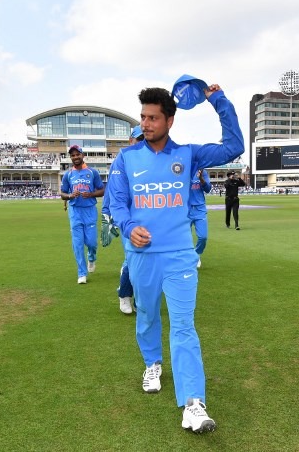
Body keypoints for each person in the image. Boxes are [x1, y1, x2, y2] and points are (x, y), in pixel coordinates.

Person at [107, 83, 244, 433]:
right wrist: (128, 226)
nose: (146, 123)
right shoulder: (126, 158)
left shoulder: (189, 155)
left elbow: (234, 147)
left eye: (153, 118)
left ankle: (193, 404)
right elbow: (116, 202)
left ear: (170, 120)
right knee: (147, 315)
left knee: (184, 326)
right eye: (143, 117)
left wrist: (218, 100)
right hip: (141, 255)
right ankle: (152, 363)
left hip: (180, 256)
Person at [101, 125, 145, 314]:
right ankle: (125, 294)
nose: (142, 143)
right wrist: (107, 216)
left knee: (148, 260)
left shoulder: (154, 159)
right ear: (131, 140)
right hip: (127, 218)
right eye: (139, 139)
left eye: (145, 139)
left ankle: (140, 296)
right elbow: (111, 193)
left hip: (150, 216)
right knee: (132, 259)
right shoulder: (121, 161)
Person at [60, 145, 104, 284]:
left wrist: (90, 194)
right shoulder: (68, 175)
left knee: (91, 242)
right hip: (75, 212)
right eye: (72, 155)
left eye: (77, 154)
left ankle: (91, 257)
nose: (75, 157)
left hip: (89, 211)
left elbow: (102, 190)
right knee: (78, 244)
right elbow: (62, 194)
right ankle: (81, 273)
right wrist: (70, 196)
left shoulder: (92, 172)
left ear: (82, 155)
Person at [189, 169, 212, 267]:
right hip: (185, 209)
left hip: (200, 209)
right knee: (186, 238)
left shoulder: (202, 172)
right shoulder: (181, 170)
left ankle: (196, 254)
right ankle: (188, 257)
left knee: (203, 237)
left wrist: (201, 178)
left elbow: (208, 189)